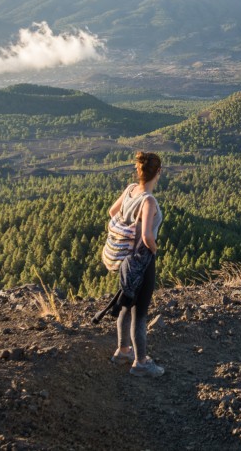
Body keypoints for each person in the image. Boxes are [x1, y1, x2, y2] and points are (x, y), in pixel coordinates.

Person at [108, 151, 164, 377]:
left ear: (138, 171)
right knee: (140, 311)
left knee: (126, 302)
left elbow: (112, 212)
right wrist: (155, 250)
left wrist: (125, 232)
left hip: (125, 260)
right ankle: (141, 362)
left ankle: (123, 351)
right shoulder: (148, 200)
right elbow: (147, 235)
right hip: (142, 260)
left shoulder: (130, 189)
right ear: (158, 172)